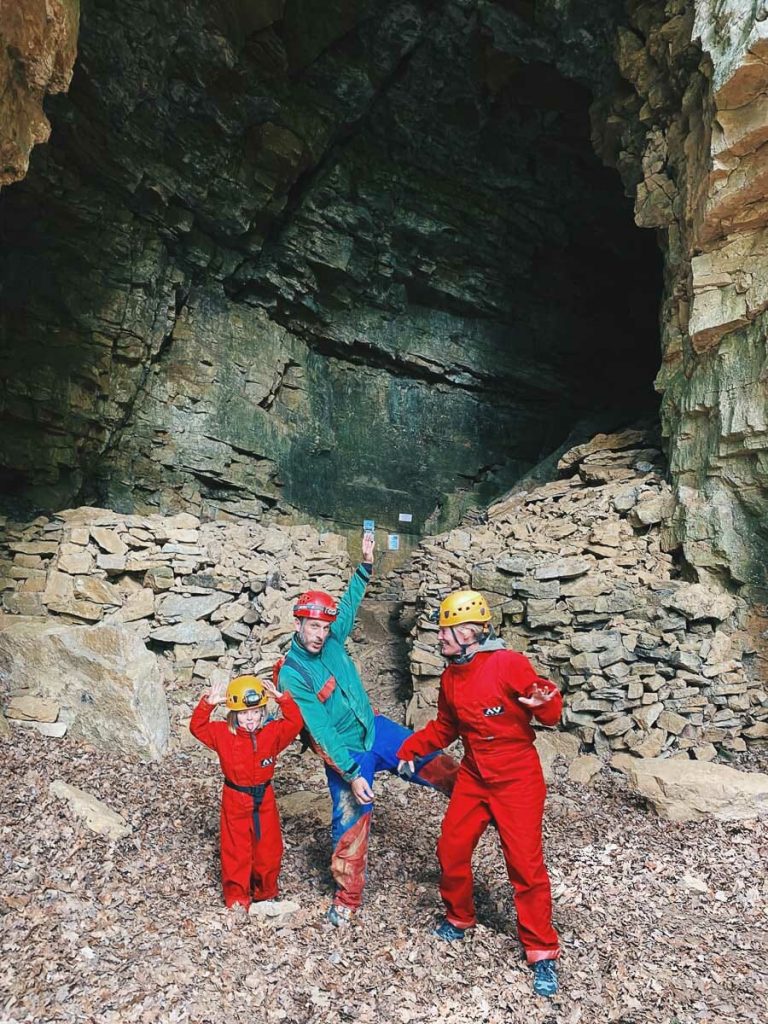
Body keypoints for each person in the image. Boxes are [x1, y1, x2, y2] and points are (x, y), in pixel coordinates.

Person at [277, 532, 458, 926]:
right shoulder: (293, 674)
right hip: (346, 751)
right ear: (299, 623)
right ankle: (347, 898)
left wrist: (365, 565)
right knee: (351, 822)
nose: (319, 635)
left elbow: (347, 606)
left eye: (323, 628)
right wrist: (353, 773)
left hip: (374, 730)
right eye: (312, 627)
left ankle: (480, 798)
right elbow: (321, 731)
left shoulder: (332, 637)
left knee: (430, 758)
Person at [396, 589, 563, 998]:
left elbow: (551, 713)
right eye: (441, 631)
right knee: (450, 850)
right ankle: (459, 917)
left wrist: (543, 705)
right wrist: (409, 749)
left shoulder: (507, 663)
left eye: (447, 631)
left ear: (471, 632)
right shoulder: (452, 675)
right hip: (473, 775)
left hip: (517, 777)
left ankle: (541, 950)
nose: (440, 637)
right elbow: (445, 727)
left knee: (524, 866)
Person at [190, 673, 302, 911]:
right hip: (235, 797)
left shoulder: (271, 734)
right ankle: (237, 898)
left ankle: (265, 892)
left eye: (255, 713)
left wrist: (283, 700)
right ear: (233, 714)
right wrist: (208, 704)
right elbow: (197, 727)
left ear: (262, 713)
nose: (250, 719)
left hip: (265, 797)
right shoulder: (222, 734)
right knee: (236, 850)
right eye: (243, 714)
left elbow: (295, 723)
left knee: (269, 848)